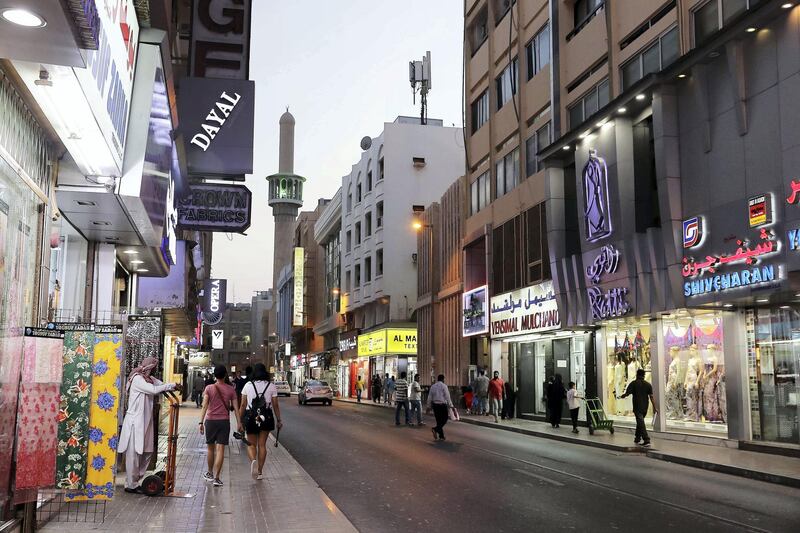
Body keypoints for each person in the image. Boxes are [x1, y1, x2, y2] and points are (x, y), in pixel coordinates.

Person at [118, 357, 177, 493]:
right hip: (135, 423)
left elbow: (160, 384)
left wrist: (172, 386)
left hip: (146, 422)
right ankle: (130, 484)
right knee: (133, 454)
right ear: (150, 367)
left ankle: (136, 479)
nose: (156, 370)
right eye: (154, 367)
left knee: (147, 451)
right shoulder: (138, 379)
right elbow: (153, 390)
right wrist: (171, 385)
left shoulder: (149, 379)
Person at [198, 365, 242, 487]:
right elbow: (236, 408)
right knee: (220, 449)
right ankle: (217, 478)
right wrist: (239, 423)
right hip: (224, 421)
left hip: (210, 421)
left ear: (215, 375)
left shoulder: (209, 388)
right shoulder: (230, 389)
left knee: (210, 448)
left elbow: (204, 406)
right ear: (225, 375)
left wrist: (201, 422)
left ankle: (210, 473)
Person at [240, 363, 282, 480]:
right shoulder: (271, 385)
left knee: (251, 444)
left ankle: (253, 460)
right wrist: (279, 420)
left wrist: (239, 420)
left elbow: (243, 405)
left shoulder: (248, 385)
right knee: (262, 445)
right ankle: (260, 472)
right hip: (266, 417)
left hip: (251, 416)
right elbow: (275, 405)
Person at [618, 368, 657, 446]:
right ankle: (637, 438)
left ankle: (646, 439)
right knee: (640, 422)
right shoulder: (648, 385)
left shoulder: (633, 383)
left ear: (637, 375)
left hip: (637, 406)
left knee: (641, 422)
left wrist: (622, 396)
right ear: (644, 375)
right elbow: (651, 397)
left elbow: (627, 393)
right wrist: (655, 408)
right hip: (645, 407)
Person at [426, 374, 453, 441]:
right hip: (442, 405)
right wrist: (451, 405)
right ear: (443, 379)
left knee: (439, 421)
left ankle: (441, 436)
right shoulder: (444, 386)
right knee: (445, 418)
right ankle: (435, 429)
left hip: (435, 406)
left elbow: (429, 397)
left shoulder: (433, 386)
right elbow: (447, 396)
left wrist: (428, 406)